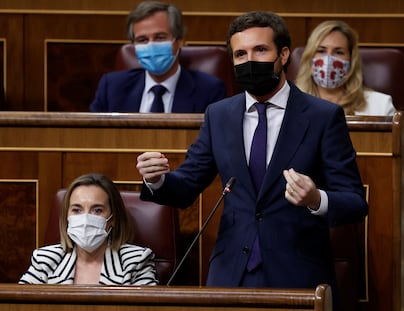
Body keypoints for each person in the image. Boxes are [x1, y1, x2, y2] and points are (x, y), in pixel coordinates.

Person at [135, 10, 367, 308]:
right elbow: (187, 185)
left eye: (260, 50)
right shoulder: (219, 115)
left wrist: (315, 199)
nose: (250, 61)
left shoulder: (322, 117)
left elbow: (355, 202)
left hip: (297, 274)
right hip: (231, 272)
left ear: (283, 55)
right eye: (240, 54)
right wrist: (157, 180)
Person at [19, 173, 158, 285]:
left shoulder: (135, 261)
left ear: (113, 219)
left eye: (97, 210)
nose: (85, 219)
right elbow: (19, 305)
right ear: (67, 217)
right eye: (77, 210)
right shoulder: (45, 260)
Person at [90, 1, 226, 113]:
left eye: (160, 37)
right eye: (142, 40)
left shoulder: (209, 90)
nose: (151, 45)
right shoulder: (112, 87)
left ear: (179, 41)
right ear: (134, 46)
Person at [295, 20, 396, 116]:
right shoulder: (290, 103)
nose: (329, 59)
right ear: (309, 57)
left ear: (351, 60)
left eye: (338, 52)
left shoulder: (381, 106)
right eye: (321, 51)